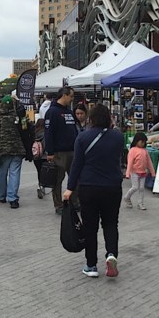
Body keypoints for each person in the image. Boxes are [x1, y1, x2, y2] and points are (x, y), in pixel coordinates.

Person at [63, 103, 125, 279]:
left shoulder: (82, 138)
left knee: (90, 227)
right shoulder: (118, 137)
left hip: (89, 186)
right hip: (113, 186)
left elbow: (76, 165)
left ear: (91, 118)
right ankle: (111, 254)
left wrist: (69, 188)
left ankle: (91, 265)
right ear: (109, 118)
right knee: (111, 223)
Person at [0, 95, 30, 209]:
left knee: (1, 173)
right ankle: (13, 198)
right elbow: (26, 129)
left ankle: (1, 195)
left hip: (1, 150)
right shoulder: (18, 117)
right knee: (14, 173)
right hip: (17, 149)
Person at [44, 86, 78, 215]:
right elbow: (49, 133)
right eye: (71, 96)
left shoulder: (69, 111)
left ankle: (75, 202)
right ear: (64, 95)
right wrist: (50, 152)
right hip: (59, 152)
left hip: (72, 150)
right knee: (57, 179)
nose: (72, 99)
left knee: (74, 178)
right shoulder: (52, 112)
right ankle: (58, 205)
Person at [123, 132, 156, 210]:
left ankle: (140, 203)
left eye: (144, 142)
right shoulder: (132, 150)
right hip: (134, 172)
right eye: (141, 141)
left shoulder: (145, 151)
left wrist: (152, 172)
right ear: (136, 141)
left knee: (141, 188)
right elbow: (130, 162)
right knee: (135, 187)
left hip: (143, 172)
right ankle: (127, 197)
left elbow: (149, 162)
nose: (143, 143)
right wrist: (127, 173)